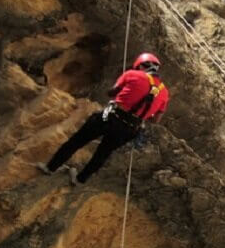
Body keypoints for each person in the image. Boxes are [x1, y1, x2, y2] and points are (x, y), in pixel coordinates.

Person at [36, 52, 170, 185]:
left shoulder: (132, 74)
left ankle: (50, 167)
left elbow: (111, 93)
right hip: (130, 128)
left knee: (77, 140)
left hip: (112, 117)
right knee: (102, 154)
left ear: (140, 66)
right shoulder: (164, 92)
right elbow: (155, 120)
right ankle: (80, 179)